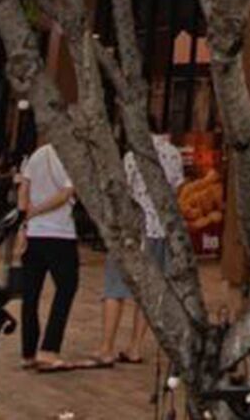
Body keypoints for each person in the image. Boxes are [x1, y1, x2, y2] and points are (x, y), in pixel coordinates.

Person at [96, 132, 186, 365]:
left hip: (131, 231)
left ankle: (106, 347)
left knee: (114, 289)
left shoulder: (131, 156)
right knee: (147, 293)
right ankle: (135, 346)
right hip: (159, 229)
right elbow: (177, 190)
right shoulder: (174, 154)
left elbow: (122, 191)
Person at [14, 135, 88, 373]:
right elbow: (65, 195)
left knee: (31, 295)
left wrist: (25, 220)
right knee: (66, 288)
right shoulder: (72, 155)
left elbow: (23, 190)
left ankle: (27, 352)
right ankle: (49, 349)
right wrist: (36, 212)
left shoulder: (38, 154)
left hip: (34, 234)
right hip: (60, 234)